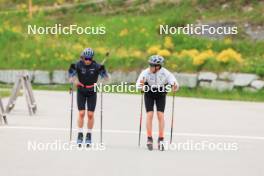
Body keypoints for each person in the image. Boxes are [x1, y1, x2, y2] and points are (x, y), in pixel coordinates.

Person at [136, 55, 179, 151]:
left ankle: (161, 138)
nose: (150, 67)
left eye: (152, 65)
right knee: (150, 115)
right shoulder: (145, 72)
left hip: (161, 93)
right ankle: (149, 138)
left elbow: (174, 82)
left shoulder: (165, 73)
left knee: (160, 115)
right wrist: (141, 85)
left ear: (158, 66)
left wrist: (174, 86)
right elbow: (138, 84)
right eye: (150, 65)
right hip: (149, 93)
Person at [68, 48, 108, 147]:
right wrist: (73, 80)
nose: (88, 61)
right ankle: (80, 134)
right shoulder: (77, 64)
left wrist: (103, 74)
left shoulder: (97, 66)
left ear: (92, 58)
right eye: (86, 59)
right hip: (81, 90)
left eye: (90, 59)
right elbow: (71, 73)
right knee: (81, 113)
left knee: (90, 114)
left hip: (92, 91)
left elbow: (105, 77)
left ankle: (89, 135)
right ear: (83, 58)